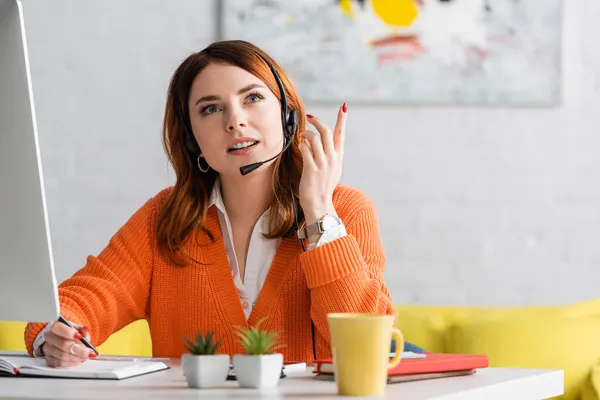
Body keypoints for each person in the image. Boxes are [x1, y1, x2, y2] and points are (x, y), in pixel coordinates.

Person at [23, 40, 409, 368]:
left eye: (253, 98)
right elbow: (75, 302)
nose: (235, 121)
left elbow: (367, 350)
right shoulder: (164, 218)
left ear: (287, 115)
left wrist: (320, 215)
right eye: (210, 108)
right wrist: (56, 334)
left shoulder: (346, 210)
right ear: (192, 139)